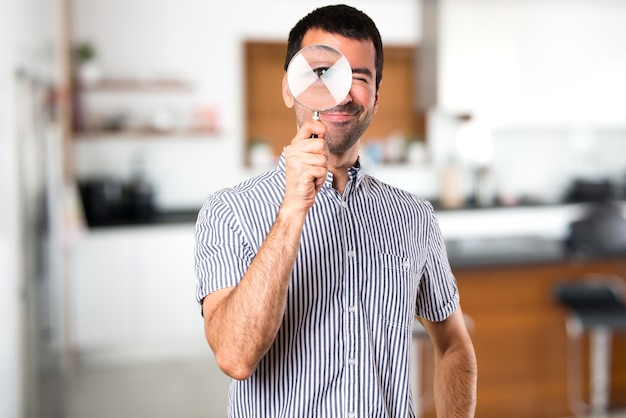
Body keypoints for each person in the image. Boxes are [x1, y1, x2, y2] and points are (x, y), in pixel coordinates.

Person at [194, 4, 477, 417]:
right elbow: (235, 357)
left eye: (359, 78)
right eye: (323, 73)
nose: (342, 93)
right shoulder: (228, 212)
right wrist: (292, 210)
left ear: (376, 97)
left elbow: (453, 343)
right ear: (290, 87)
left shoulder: (415, 217)